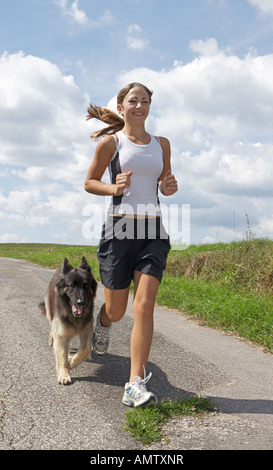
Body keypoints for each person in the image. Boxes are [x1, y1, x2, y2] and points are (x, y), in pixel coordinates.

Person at [84, 82, 178, 407]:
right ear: (121, 107)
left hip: (153, 231)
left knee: (144, 305)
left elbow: (164, 187)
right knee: (118, 310)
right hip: (120, 229)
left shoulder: (162, 144)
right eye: (133, 101)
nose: (140, 105)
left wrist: (169, 185)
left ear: (150, 106)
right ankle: (103, 322)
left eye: (145, 101)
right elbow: (89, 182)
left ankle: (134, 384)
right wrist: (114, 188)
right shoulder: (112, 143)